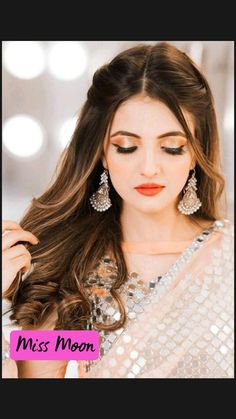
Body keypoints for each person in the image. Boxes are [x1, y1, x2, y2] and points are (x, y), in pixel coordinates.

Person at [2, 41, 234, 378]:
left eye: (172, 147)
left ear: (196, 153)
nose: (149, 167)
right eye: (127, 147)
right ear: (102, 153)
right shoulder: (71, 269)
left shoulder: (229, 257)